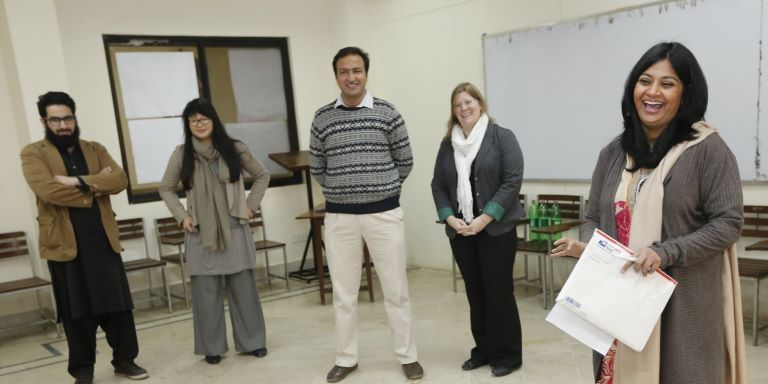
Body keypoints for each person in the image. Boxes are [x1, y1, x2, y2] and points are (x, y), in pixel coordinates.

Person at [551, 42, 746, 384]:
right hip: (618, 304)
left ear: (686, 95)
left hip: (681, 305)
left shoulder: (709, 151)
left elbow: (728, 223)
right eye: (645, 80)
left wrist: (664, 251)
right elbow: (593, 215)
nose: (652, 92)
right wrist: (592, 249)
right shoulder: (613, 152)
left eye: (667, 84)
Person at [309, 46, 422, 383]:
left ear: (366, 73)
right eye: (344, 71)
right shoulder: (322, 117)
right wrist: (342, 193)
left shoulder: (388, 113)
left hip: (383, 214)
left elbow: (406, 161)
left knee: (396, 289)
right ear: (336, 77)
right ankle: (346, 358)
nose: (351, 77)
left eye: (356, 70)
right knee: (344, 293)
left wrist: (382, 190)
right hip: (340, 218)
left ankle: (408, 355)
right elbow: (318, 166)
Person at [20, 91, 149, 384]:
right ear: (44, 121)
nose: (63, 125)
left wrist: (76, 181)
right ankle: (83, 370)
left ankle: (125, 360)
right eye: (56, 120)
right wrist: (95, 186)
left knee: (117, 305)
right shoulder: (33, 153)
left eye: (68, 118)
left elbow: (119, 179)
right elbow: (47, 191)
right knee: (76, 311)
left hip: (102, 239)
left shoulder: (94, 148)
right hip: (64, 243)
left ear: (74, 118)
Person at [159, 97, 270, 365]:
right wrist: (181, 216)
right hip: (200, 232)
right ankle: (212, 347)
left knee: (244, 290)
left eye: (204, 118)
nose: (199, 124)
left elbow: (263, 175)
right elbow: (166, 187)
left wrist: (250, 206)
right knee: (205, 295)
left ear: (213, 120)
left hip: (234, 228)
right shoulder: (181, 154)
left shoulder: (235, 149)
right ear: (188, 124)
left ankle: (253, 342)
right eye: (193, 120)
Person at [430, 82, 524, 377]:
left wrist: (485, 218)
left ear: (480, 104)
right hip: (461, 232)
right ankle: (483, 350)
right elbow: (438, 185)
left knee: (498, 293)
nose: (464, 108)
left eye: (469, 102)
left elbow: (512, 181)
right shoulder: (448, 144)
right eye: (458, 104)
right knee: (475, 293)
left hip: (495, 230)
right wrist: (449, 218)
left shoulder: (501, 137)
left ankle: (507, 355)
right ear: (454, 111)